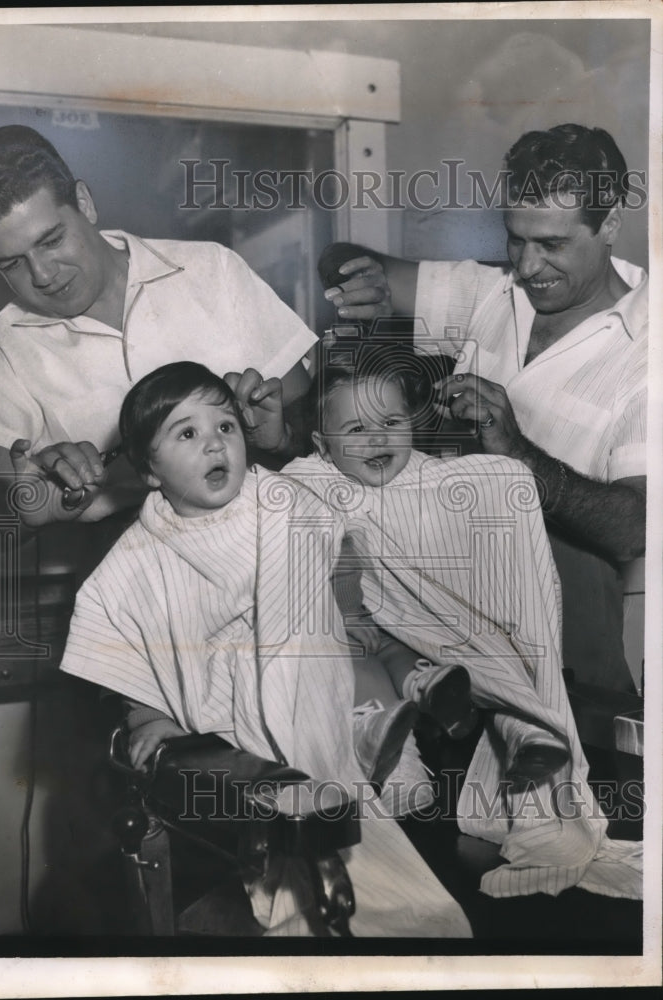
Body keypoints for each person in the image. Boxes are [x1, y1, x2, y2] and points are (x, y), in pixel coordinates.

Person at [59, 361, 472, 938]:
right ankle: (358, 740)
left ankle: (360, 731)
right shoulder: (137, 556)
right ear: (149, 470)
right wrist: (148, 714)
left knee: (329, 660)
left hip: (309, 674)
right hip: (226, 720)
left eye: (226, 427)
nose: (214, 445)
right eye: (187, 434)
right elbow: (120, 640)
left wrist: (333, 612)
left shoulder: (277, 502)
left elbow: (332, 556)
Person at [282, 348, 642, 901]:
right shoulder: (313, 479)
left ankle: (525, 725)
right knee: (375, 658)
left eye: (392, 423)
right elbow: (311, 546)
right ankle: (411, 740)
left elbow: (487, 528)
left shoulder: (432, 478)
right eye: (356, 429)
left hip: (452, 626)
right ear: (322, 446)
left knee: (505, 482)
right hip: (374, 628)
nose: (378, 439)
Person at [319, 124, 647, 693]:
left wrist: (516, 451)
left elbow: (636, 528)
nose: (527, 266)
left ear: (611, 222)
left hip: (566, 632)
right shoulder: (493, 291)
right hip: (445, 611)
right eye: (515, 239)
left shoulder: (650, 346)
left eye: (552, 244)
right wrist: (357, 276)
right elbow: (346, 256)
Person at [0, 125, 316, 532]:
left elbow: (316, 418)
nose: (42, 275)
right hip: (128, 567)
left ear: (84, 203)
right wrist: (37, 501)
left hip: (272, 534)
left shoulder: (210, 268)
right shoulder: (7, 345)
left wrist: (279, 435)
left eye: (52, 240)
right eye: (11, 263)